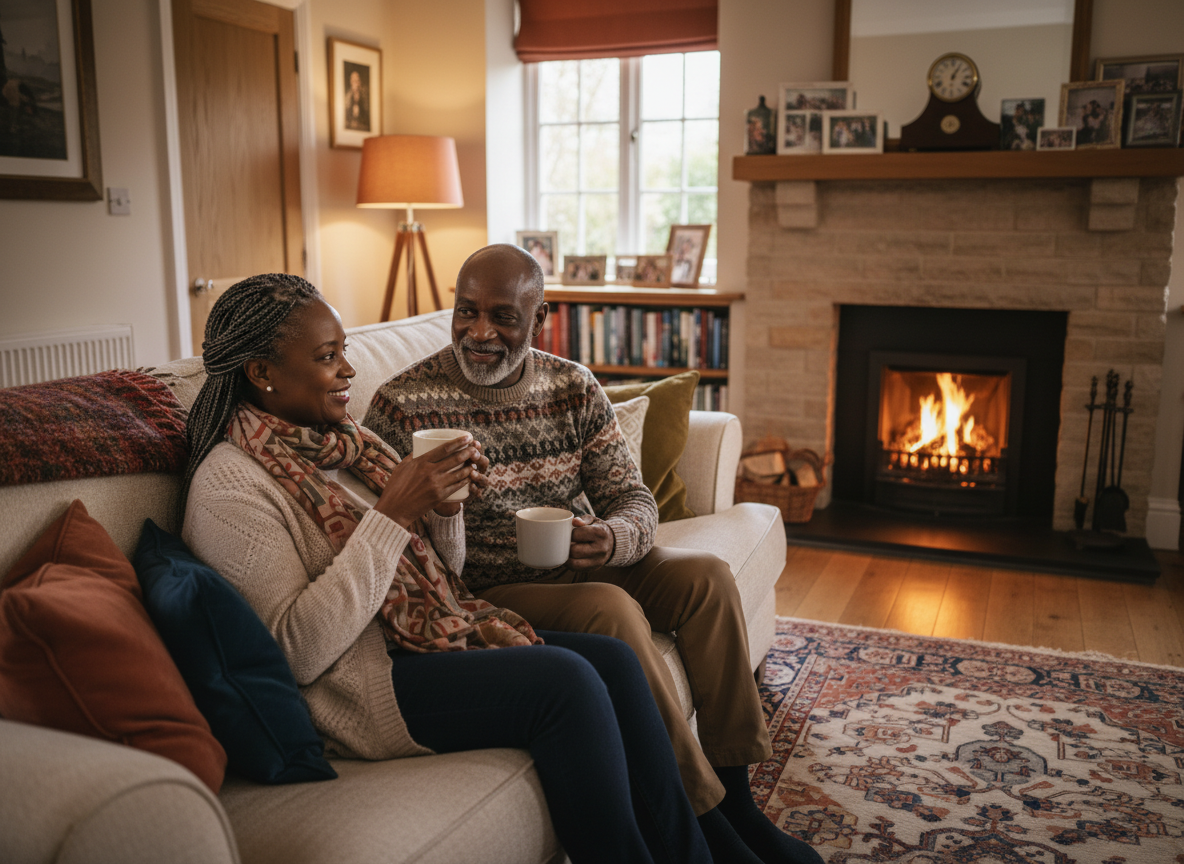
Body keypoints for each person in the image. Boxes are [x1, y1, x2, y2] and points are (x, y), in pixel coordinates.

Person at [181, 273, 727, 864]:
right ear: (262, 373)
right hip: (361, 681)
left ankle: (695, 852)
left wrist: (444, 511)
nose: (348, 372)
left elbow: (445, 574)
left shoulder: (345, 443)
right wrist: (393, 513)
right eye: (328, 357)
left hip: (426, 637)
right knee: (564, 684)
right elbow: (295, 653)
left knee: (615, 660)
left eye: (343, 353)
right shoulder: (230, 486)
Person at [365, 245, 823, 864]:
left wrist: (614, 537)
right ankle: (705, 817)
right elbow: (394, 542)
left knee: (708, 579)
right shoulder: (402, 405)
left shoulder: (572, 385)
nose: (479, 333)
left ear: (539, 315)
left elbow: (632, 497)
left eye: (503, 316)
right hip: (488, 587)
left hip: (587, 557)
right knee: (610, 609)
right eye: (466, 311)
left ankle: (740, 802)